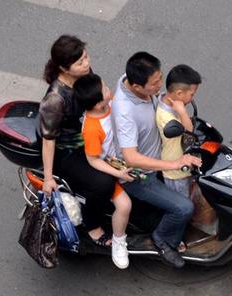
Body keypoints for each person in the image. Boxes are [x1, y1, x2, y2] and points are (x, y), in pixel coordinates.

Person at [111, 52, 202, 268]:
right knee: (184, 208)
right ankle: (163, 240)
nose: (160, 86)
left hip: (159, 155)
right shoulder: (125, 112)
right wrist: (173, 164)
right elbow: (131, 157)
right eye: (155, 83)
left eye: (160, 78)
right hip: (138, 175)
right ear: (136, 87)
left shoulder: (134, 79)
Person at [39, 34, 116, 248]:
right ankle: (91, 225)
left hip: (92, 132)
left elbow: (101, 93)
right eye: (80, 62)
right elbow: (48, 140)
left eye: (86, 57)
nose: (87, 64)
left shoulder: (84, 74)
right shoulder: (55, 99)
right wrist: (47, 178)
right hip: (69, 150)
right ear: (64, 68)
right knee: (104, 183)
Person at [73, 73, 133, 269]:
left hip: (123, 158)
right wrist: (118, 173)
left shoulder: (109, 104)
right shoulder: (91, 128)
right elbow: (93, 160)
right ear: (99, 104)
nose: (110, 90)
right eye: (106, 89)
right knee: (124, 205)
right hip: (110, 167)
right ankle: (118, 240)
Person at [156, 64, 202, 198]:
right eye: (192, 94)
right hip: (176, 172)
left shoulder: (170, 100)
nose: (192, 98)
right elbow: (190, 132)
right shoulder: (166, 117)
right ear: (179, 93)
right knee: (185, 202)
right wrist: (182, 112)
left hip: (185, 161)